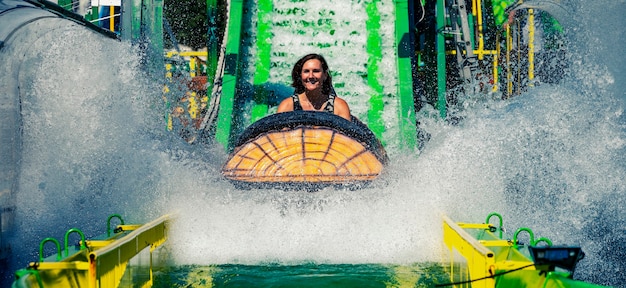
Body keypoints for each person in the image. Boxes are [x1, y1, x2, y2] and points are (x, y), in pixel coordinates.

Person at [277, 53, 352, 121]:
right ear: (300, 75)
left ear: (325, 75)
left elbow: (346, 135)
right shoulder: (287, 106)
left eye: (316, 71)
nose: (311, 76)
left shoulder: (339, 106)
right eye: (306, 71)